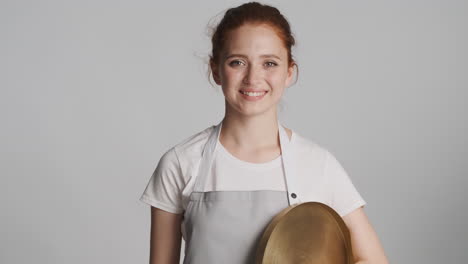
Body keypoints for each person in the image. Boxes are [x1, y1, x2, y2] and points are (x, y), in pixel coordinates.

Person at [140, 2, 389, 264]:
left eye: (269, 63)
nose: (253, 78)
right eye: (237, 62)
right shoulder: (181, 162)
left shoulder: (317, 164)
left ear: (289, 72)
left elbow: (374, 260)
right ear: (216, 70)